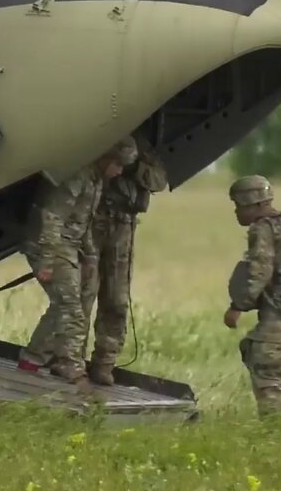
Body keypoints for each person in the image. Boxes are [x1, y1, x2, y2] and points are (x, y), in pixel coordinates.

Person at [16, 137, 138, 392]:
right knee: (70, 306)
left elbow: (83, 223)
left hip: (70, 245)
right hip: (49, 245)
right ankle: (73, 369)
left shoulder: (95, 180)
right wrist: (48, 261)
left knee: (75, 300)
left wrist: (90, 256)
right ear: (105, 158)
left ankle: (33, 358)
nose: (119, 172)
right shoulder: (77, 177)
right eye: (117, 165)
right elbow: (52, 217)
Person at [222, 175, 281, 417]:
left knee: (268, 379)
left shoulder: (263, 228)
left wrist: (237, 306)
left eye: (238, 206)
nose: (236, 213)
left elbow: (260, 269)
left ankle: (276, 435)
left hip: (278, 317)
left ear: (253, 204)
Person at [81, 133, 168, 386]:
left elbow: (159, 181)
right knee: (83, 293)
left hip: (123, 224)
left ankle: (105, 362)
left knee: (116, 298)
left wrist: (131, 165)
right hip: (93, 220)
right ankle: (70, 358)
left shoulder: (141, 147)